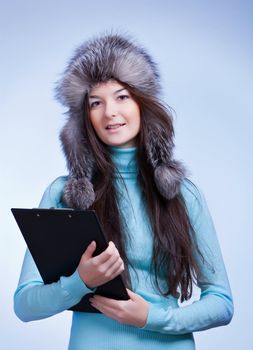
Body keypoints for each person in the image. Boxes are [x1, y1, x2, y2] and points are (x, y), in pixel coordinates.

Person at [14, 32, 234, 350]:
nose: (110, 113)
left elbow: (222, 303)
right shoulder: (65, 194)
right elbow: (24, 305)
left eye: (122, 97)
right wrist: (80, 282)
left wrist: (152, 317)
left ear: (142, 102)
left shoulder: (182, 194)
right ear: (83, 118)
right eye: (95, 103)